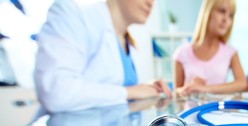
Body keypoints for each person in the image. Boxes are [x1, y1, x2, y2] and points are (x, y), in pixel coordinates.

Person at [34, 0, 171, 113]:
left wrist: (144, 88)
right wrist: (129, 92)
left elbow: (113, 90)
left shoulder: (128, 41)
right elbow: (56, 92)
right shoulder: (73, 14)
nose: (150, 3)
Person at [173, 0, 247, 96]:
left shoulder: (231, 53)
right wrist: (190, 87)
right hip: (191, 110)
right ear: (207, 12)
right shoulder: (182, 53)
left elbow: (242, 83)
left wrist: (205, 89)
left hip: (218, 110)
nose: (226, 19)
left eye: (231, 15)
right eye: (221, 11)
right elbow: (176, 92)